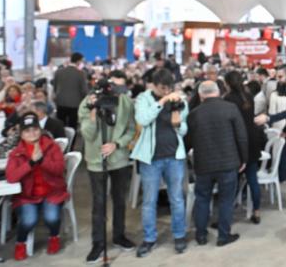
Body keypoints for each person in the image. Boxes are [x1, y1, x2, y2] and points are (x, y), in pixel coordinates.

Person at [79, 72, 138, 263]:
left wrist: (117, 144)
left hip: (119, 159)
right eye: (115, 87)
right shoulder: (88, 102)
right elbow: (87, 135)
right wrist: (94, 110)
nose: (118, 92)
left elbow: (131, 130)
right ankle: (98, 243)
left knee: (119, 200)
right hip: (97, 160)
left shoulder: (126, 103)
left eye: (122, 88)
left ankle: (119, 235)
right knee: (99, 204)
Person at [131, 68, 190, 257]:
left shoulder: (179, 100)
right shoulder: (143, 99)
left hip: (174, 157)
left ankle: (179, 235)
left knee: (177, 199)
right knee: (149, 201)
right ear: (154, 86)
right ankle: (149, 238)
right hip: (151, 159)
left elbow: (184, 131)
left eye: (169, 88)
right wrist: (162, 102)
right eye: (162, 88)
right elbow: (143, 119)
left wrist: (178, 123)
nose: (167, 91)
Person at [185, 81, 248, 246]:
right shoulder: (231, 109)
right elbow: (241, 136)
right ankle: (223, 236)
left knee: (202, 199)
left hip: (203, 164)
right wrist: (244, 159)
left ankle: (201, 235)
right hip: (228, 163)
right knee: (226, 200)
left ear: (200, 95)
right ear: (219, 92)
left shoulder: (194, 114)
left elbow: (188, 141)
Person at [6, 112, 69, 261]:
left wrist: (42, 160)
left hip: (52, 193)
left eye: (35, 129)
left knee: (52, 218)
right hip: (27, 196)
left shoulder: (52, 147)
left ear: (40, 130)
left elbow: (59, 169)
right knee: (28, 220)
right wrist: (30, 163)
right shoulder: (16, 153)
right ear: (21, 134)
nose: (32, 133)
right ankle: (20, 242)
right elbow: (11, 177)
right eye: (27, 130)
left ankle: (54, 236)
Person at [223, 71, 263, 224]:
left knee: (232, 180)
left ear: (227, 84)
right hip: (252, 139)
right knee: (253, 178)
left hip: (236, 141)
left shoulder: (228, 99)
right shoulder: (249, 97)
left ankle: (227, 215)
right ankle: (257, 212)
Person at [53, 52, 89, 141]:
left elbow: (55, 86)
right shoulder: (81, 73)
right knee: (72, 125)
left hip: (60, 101)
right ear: (79, 61)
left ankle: (60, 142)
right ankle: (70, 144)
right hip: (75, 103)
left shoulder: (59, 71)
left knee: (60, 124)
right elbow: (84, 90)